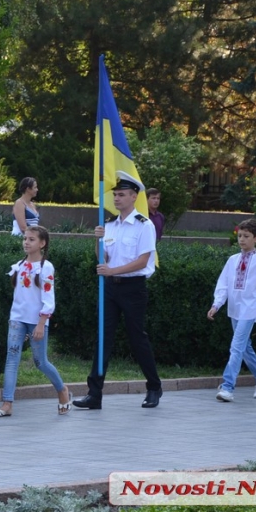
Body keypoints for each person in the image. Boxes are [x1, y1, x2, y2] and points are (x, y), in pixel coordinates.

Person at [73, 171, 163, 410]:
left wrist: (112, 272)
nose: (116, 198)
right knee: (103, 339)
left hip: (133, 288)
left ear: (134, 197)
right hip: (110, 289)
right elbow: (103, 258)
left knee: (137, 338)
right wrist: (97, 240)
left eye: (121, 194)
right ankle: (94, 394)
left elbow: (144, 261)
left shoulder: (144, 226)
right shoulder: (110, 225)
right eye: (115, 194)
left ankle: (154, 387)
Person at [0, 225, 71, 418]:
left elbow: (48, 298)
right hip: (17, 319)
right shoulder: (20, 265)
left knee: (40, 362)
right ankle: (7, 403)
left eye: (32, 239)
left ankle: (62, 390)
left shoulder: (46, 267)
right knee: (11, 359)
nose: (26, 242)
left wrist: (42, 323)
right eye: (25, 238)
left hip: (37, 321)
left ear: (42, 243)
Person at [207, 218, 256, 402]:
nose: (242, 239)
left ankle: (227, 386)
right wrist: (216, 305)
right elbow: (223, 284)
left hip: (250, 309)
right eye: (240, 235)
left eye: (246, 236)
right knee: (244, 348)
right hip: (235, 309)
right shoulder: (232, 260)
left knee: (237, 346)